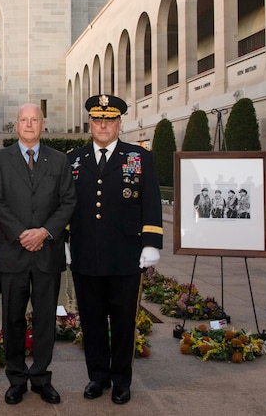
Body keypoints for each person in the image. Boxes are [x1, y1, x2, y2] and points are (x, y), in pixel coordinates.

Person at [67, 94, 163, 405]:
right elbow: (67, 205)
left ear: (119, 123)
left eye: (109, 120)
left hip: (125, 255)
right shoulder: (74, 159)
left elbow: (150, 201)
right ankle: (98, 377)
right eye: (97, 119)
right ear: (90, 123)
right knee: (91, 320)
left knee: (123, 321)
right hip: (85, 254)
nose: (103, 125)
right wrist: (67, 240)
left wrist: (151, 243)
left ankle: (121, 380)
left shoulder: (138, 157)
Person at [0, 103, 76, 405]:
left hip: (47, 252)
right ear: (16, 125)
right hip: (13, 252)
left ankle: (40, 377)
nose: (29, 125)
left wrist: (44, 232)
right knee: (12, 318)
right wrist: (23, 235)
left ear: (43, 124)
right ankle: (15, 378)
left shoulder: (60, 160)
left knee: (44, 319)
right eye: (24, 120)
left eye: (34, 120)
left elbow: (68, 202)